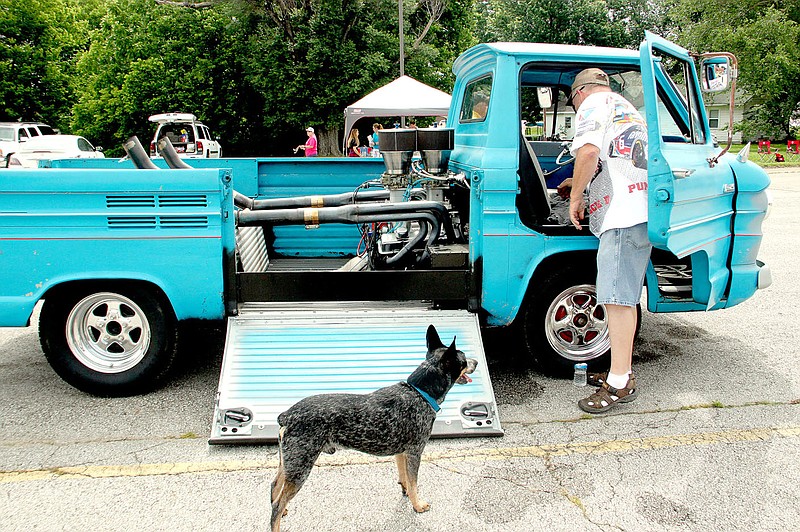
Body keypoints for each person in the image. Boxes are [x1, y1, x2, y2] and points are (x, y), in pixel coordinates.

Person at [560, 68, 651, 414]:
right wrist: (577, 182)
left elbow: (587, 153)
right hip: (638, 208)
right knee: (620, 298)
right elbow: (613, 159)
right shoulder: (623, 106)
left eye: (571, 100)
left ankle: (619, 383)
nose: (574, 106)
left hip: (623, 216)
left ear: (580, 92)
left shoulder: (592, 105)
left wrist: (576, 198)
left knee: (617, 300)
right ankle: (619, 371)